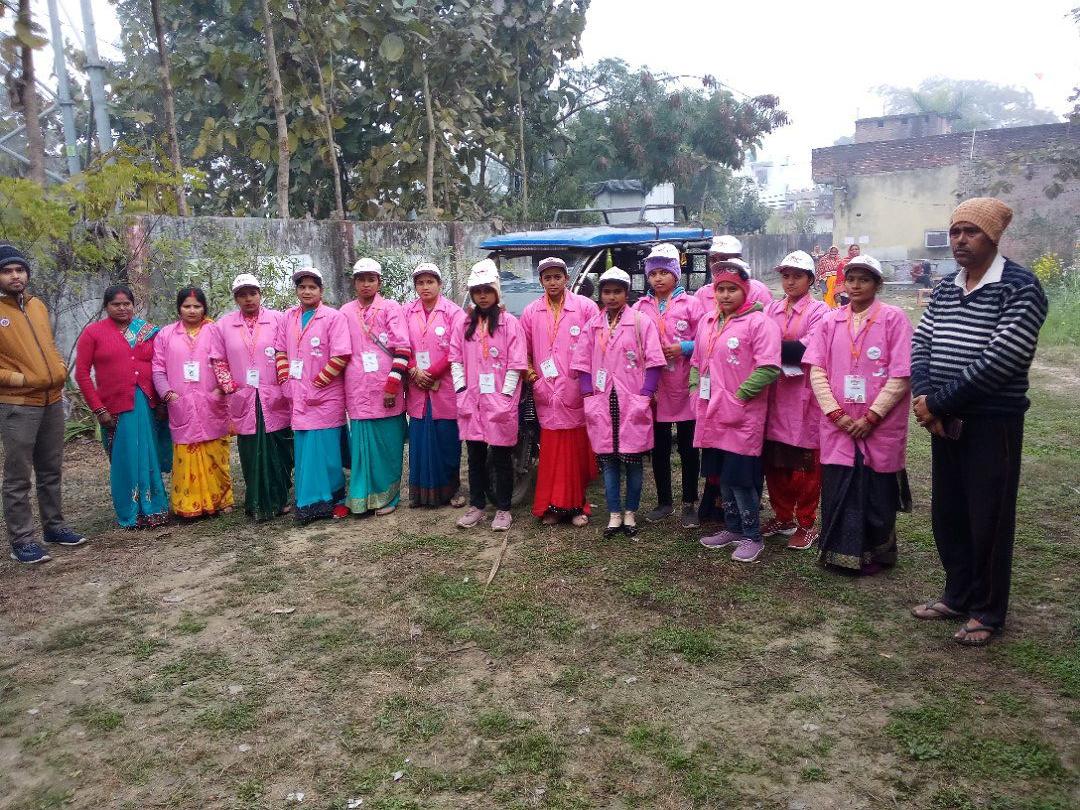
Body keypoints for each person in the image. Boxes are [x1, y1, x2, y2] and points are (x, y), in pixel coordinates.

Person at [909, 198, 1048, 647]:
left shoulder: (1020, 287)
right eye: (955, 232)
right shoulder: (946, 287)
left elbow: (1002, 359)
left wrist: (937, 403)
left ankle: (987, 610)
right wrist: (925, 396)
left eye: (971, 232)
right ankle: (957, 595)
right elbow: (922, 342)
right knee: (949, 512)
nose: (960, 240)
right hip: (944, 419)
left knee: (988, 516)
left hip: (992, 422)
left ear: (994, 236)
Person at [804, 255, 912, 576]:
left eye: (864, 280)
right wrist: (836, 414)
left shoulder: (893, 319)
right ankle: (840, 552)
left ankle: (877, 553)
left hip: (879, 425)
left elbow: (901, 374)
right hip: (838, 423)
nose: (855, 286)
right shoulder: (830, 321)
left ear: (878, 284)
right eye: (850, 279)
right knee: (839, 485)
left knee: (877, 489)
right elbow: (817, 370)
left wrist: (872, 417)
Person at [0, 244, 87, 563]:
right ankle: (22, 540)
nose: (15, 276)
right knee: (18, 476)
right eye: (7, 271)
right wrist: (23, 379)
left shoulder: (37, 305)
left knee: (50, 469)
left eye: (20, 270)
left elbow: (48, 345)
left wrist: (59, 367)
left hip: (51, 400)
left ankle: (55, 527)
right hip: (18, 404)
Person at [693, 261, 781, 563]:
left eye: (732, 289)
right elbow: (697, 361)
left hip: (743, 415)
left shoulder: (759, 323)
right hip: (712, 411)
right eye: (721, 289)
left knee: (741, 478)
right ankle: (732, 528)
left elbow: (768, 368)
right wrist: (694, 388)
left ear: (745, 291)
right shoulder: (708, 321)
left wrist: (739, 396)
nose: (725, 295)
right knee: (723, 476)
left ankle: (752, 535)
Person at [572, 267, 665, 537]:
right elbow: (582, 363)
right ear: (600, 294)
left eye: (617, 291)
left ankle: (630, 513)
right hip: (602, 400)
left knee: (633, 461)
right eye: (606, 292)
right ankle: (614, 514)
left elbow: (654, 362)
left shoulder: (640, 322)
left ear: (626, 293)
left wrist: (645, 395)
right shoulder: (593, 325)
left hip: (632, 400)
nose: (611, 297)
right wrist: (588, 395)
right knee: (609, 461)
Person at [75, 284, 171, 530]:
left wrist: (162, 402)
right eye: (116, 304)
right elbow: (82, 374)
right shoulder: (93, 333)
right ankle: (130, 513)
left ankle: (155, 508)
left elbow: (161, 365)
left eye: (126, 303)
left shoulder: (148, 331)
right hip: (115, 406)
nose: (122, 308)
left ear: (133, 305)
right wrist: (99, 409)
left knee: (148, 455)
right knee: (125, 458)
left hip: (147, 404)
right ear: (106, 306)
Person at [520, 256, 599, 526]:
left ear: (566, 278)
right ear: (541, 281)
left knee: (575, 452)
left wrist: (585, 383)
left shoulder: (585, 307)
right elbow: (523, 352)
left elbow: (598, 348)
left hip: (575, 390)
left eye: (557, 277)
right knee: (551, 452)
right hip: (546, 393)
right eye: (547, 278)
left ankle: (576, 506)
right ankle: (551, 507)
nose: (552, 282)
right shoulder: (531, 312)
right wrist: (535, 380)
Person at [451, 259, 528, 532]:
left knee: (501, 457)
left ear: (496, 292)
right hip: (471, 401)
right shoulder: (463, 324)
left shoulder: (510, 324)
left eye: (487, 290)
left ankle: (503, 509)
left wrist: (505, 396)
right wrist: (461, 389)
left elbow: (516, 364)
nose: (482, 296)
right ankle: (477, 505)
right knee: (474, 457)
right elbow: (456, 360)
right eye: (477, 291)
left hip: (499, 402)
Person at [761, 252, 829, 550]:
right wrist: (771, 348)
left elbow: (806, 349)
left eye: (797, 276)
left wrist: (769, 348)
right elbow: (758, 341)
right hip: (775, 395)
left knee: (805, 464)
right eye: (786, 276)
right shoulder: (772, 309)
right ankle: (782, 516)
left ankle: (806, 521)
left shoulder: (820, 311)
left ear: (810, 280)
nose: (790, 282)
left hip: (804, 397)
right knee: (775, 460)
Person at [633, 243, 703, 528]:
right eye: (653, 274)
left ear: (676, 274)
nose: (658, 278)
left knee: (688, 447)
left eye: (664, 272)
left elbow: (708, 340)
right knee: (659, 447)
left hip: (684, 385)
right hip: (655, 387)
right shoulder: (639, 307)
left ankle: (689, 503)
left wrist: (684, 347)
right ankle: (664, 502)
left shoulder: (692, 305)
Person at [274, 267, 351, 524]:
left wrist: (319, 382)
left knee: (327, 452)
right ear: (297, 290)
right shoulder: (288, 317)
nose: (307, 291)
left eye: (312, 287)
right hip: (298, 395)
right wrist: (285, 379)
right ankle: (308, 503)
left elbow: (341, 354)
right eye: (302, 287)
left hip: (326, 396)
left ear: (321, 290)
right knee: (305, 450)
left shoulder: (333, 317)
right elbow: (280, 350)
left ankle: (336, 500)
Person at [152, 287, 236, 518]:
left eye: (197, 306)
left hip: (211, 403)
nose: (192, 311)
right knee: (186, 454)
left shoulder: (215, 331)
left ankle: (222, 500)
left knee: (216, 453)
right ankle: (189, 505)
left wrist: (220, 390)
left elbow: (227, 362)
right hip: (181, 404)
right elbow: (158, 369)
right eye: (187, 306)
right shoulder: (166, 335)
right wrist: (168, 394)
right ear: (179, 308)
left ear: (204, 308)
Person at [218, 274, 293, 521]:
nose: (248, 299)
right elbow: (218, 359)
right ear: (236, 298)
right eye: (242, 295)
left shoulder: (278, 319)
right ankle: (257, 501)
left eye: (252, 293)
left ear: (260, 294)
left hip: (274, 394)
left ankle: (280, 498)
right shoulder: (224, 325)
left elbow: (286, 351)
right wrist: (229, 386)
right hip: (244, 395)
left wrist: (286, 381)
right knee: (251, 451)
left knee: (280, 449)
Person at [340, 258, 411, 516]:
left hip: (386, 387)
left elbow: (403, 347)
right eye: (361, 279)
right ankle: (361, 497)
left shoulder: (391, 308)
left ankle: (389, 497)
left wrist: (392, 386)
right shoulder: (345, 312)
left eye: (371, 279)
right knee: (361, 447)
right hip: (357, 389)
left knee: (388, 446)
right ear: (354, 283)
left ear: (379, 282)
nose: (366, 284)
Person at [404, 262, 466, 508]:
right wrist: (413, 369)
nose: (425, 287)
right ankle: (421, 493)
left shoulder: (453, 313)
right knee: (419, 440)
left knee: (447, 438)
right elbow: (400, 344)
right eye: (420, 283)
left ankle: (452, 490)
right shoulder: (406, 311)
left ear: (440, 284)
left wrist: (431, 372)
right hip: (417, 384)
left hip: (445, 384)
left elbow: (457, 347)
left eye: (430, 282)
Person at [695, 235, 773, 311]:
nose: (717, 264)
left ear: (739, 260)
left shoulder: (758, 291)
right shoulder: (702, 294)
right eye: (713, 259)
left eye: (724, 259)